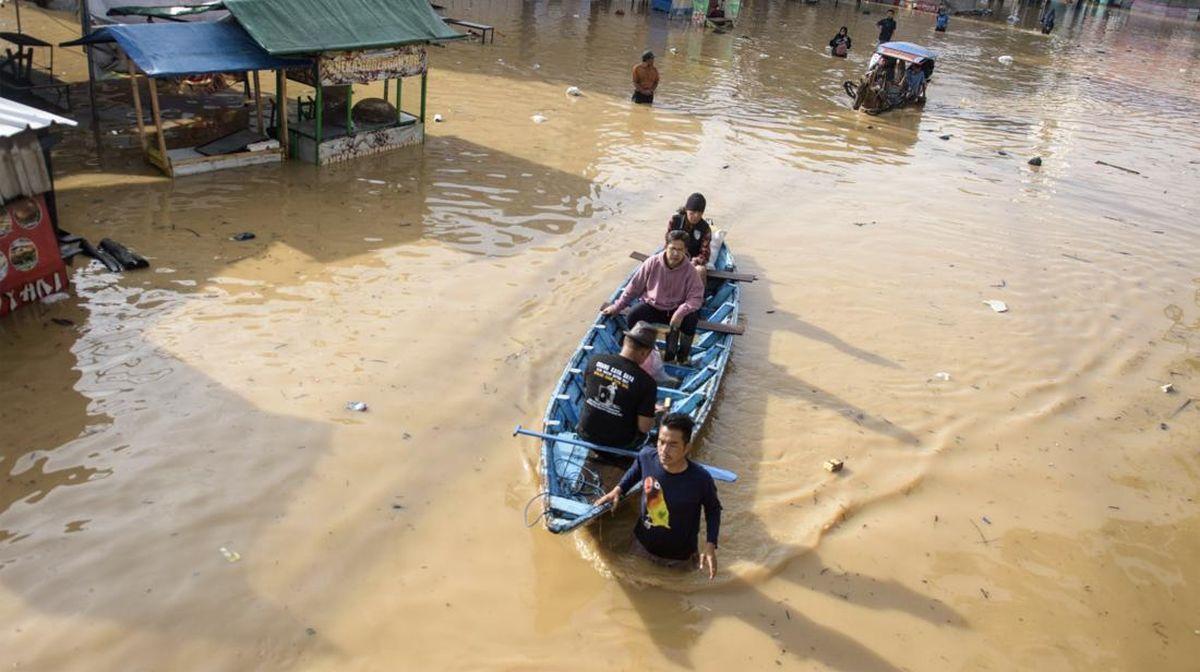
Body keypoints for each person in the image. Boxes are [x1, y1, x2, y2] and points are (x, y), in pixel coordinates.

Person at [595, 413, 722, 578]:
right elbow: (636, 471)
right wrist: (618, 489)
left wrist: (710, 544)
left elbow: (713, 509)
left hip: (679, 558)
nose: (664, 450)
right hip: (641, 547)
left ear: (687, 448)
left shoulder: (700, 479)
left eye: (673, 445)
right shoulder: (647, 456)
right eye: (661, 442)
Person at [602, 231, 704, 365]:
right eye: (672, 248)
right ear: (666, 246)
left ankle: (682, 357)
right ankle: (641, 351)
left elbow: (696, 298)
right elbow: (633, 287)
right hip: (653, 306)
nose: (675, 253)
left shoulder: (690, 270)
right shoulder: (652, 262)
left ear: (685, 250)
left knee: (691, 321)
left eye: (680, 250)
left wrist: (680, 313)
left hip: (676, 309)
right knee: (633, 315)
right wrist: (617, 306)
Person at [577, 321, 661, 449]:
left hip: (584, 433)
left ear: (624, 342)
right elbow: (644, 428)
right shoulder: (647, 383)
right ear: (645, 353)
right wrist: (654, 414)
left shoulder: (595, 360)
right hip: (620, 443)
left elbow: (587, 391)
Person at [666, 192, 713, 285]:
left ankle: (699, 297)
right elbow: (667, 243)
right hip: (674, 255)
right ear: (686, 210)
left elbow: (705, 253)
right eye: (692, 213)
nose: (695, 216)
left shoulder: (705, 228)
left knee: (701, 270)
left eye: (699, 213)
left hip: (692, 261)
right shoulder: (675, 221)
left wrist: (695, 261)